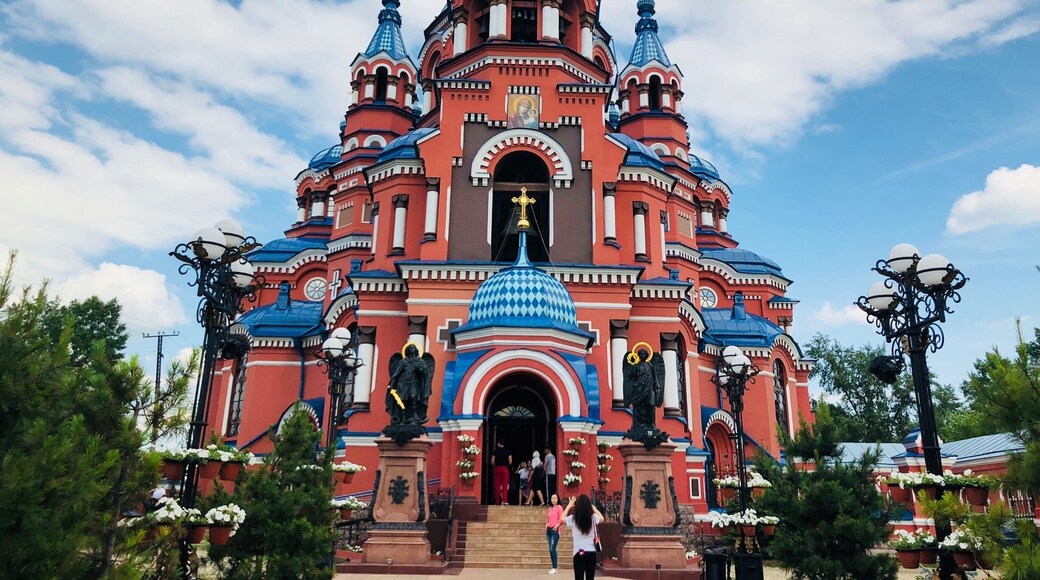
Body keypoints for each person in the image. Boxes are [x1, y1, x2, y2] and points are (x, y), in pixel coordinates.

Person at [563, 494, 603, 580]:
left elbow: (562, 518)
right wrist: (594, 509)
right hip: (591, 552)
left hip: (579, 552)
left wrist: (569, 505)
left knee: (579, 577)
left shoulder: (573, 519)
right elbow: (602, 518)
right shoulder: (593, 518)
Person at [545, 493, 564, 575]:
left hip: (555, 530)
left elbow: (561, 519)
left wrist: (556, 526)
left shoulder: (559, 508)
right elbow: (547, 519)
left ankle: (555, 567)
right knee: (550, 548)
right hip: (549, 530)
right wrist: (546, 524)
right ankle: (553, 566)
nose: (554, 500)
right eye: (552, 498)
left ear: (558, 499)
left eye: (555, 498)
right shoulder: (549, 509)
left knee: (553, 547)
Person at [492, 440, 512, 505]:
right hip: (505, 468)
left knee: (497, 485)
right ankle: (505, 501)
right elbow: (510, 461)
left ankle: (497, 501)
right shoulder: (507, 451)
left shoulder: (495, 451)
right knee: (505, 485)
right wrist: (506, 464)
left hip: (497, 468)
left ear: (498, 444)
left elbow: (492, 461)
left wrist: (495, 465)